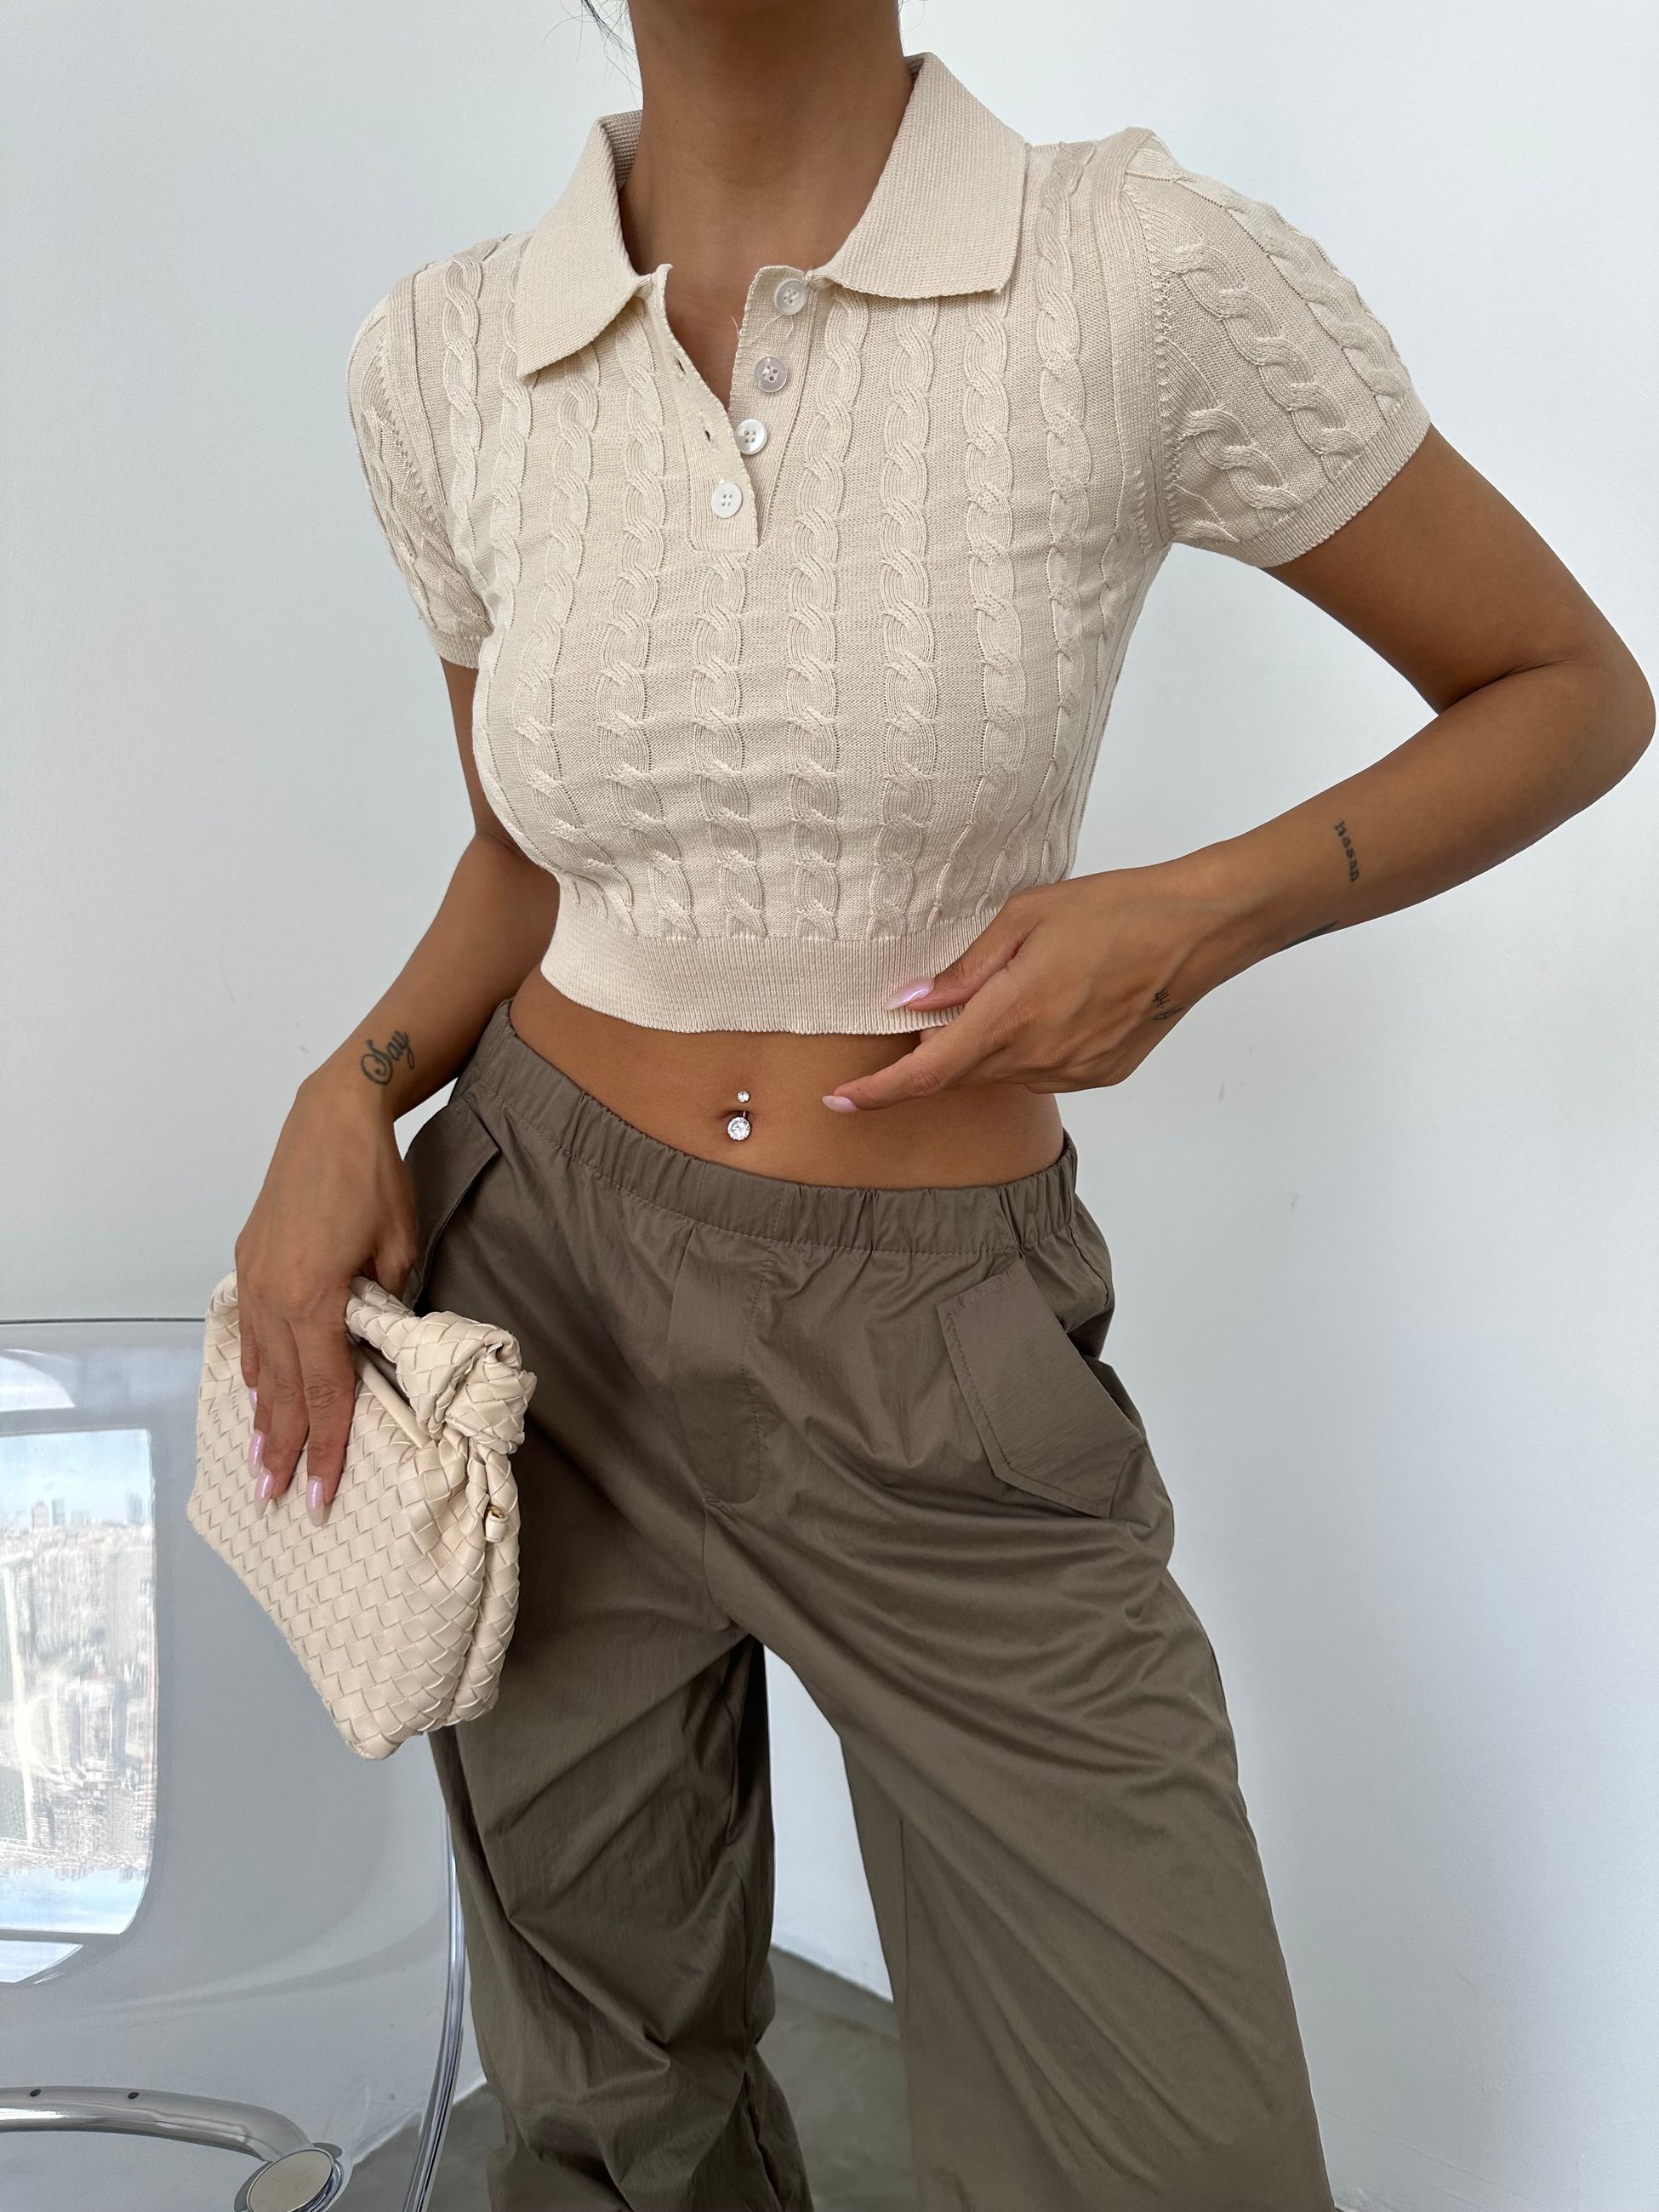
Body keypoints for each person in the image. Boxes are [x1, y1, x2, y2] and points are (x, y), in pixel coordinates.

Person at [232, 7, 1652, 2208]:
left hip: (932, 1345)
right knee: (609, 2111)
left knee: (1172, 2161)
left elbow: (1566, 689)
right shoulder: (440, 354)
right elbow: (526, 854)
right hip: (540, 1288)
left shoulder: (1133, 272)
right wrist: (351, 1088)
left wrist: (1198, 910)